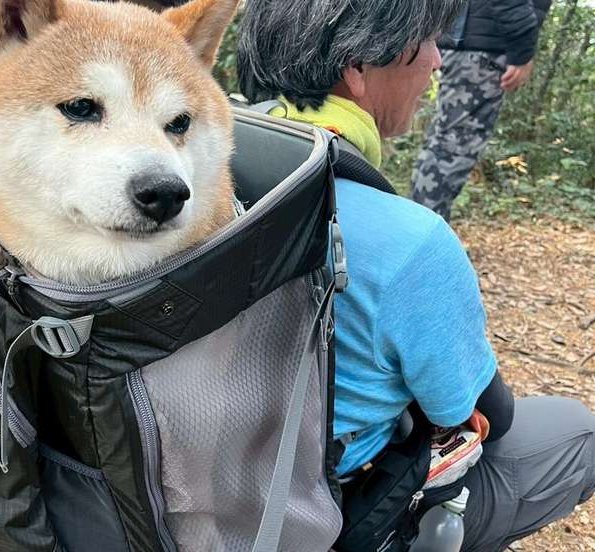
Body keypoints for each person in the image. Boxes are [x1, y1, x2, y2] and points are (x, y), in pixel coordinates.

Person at [237, 1, 595, 551]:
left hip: (194, 494)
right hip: (328, 511)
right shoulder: (409, 240)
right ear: (357, 66)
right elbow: (484, 413)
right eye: (426, 41)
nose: (437, 61)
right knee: (575, 432)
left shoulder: (192, 179)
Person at [411, 0, 552, 221]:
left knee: (443, 145)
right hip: (480, 50)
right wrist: (523, 48)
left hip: (468, 43)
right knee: (453, 149)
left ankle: (420, 226)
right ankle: (424, 231)